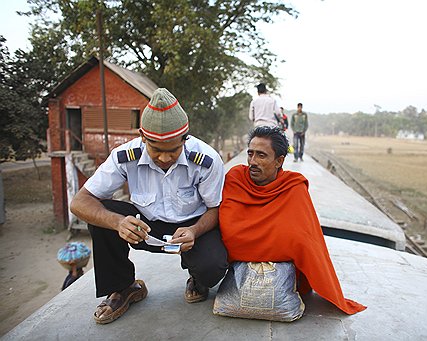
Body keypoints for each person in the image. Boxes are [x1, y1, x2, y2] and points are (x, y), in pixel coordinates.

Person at [70, 88, 228, 324]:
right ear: (143, 138)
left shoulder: (206, 160)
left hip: (191, 227)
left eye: (173, 150)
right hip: (144, 227)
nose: (165, 158)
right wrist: (118, 222)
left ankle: (197, 278)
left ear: (185, 139)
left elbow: (215, 209)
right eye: (156, 150)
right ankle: (124, 287)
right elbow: (79, 202)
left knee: (213, 266)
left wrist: (194, 231)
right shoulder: (125, 155)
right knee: (101, 212)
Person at [218, 126, 366, 315]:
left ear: (279, 161)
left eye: (261, 156)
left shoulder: (293, 186)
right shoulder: (236, 178)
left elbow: (305, 239)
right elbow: (230, 232)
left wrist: (265, 241)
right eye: (250, 154)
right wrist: (276, 242)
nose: (252, 162)